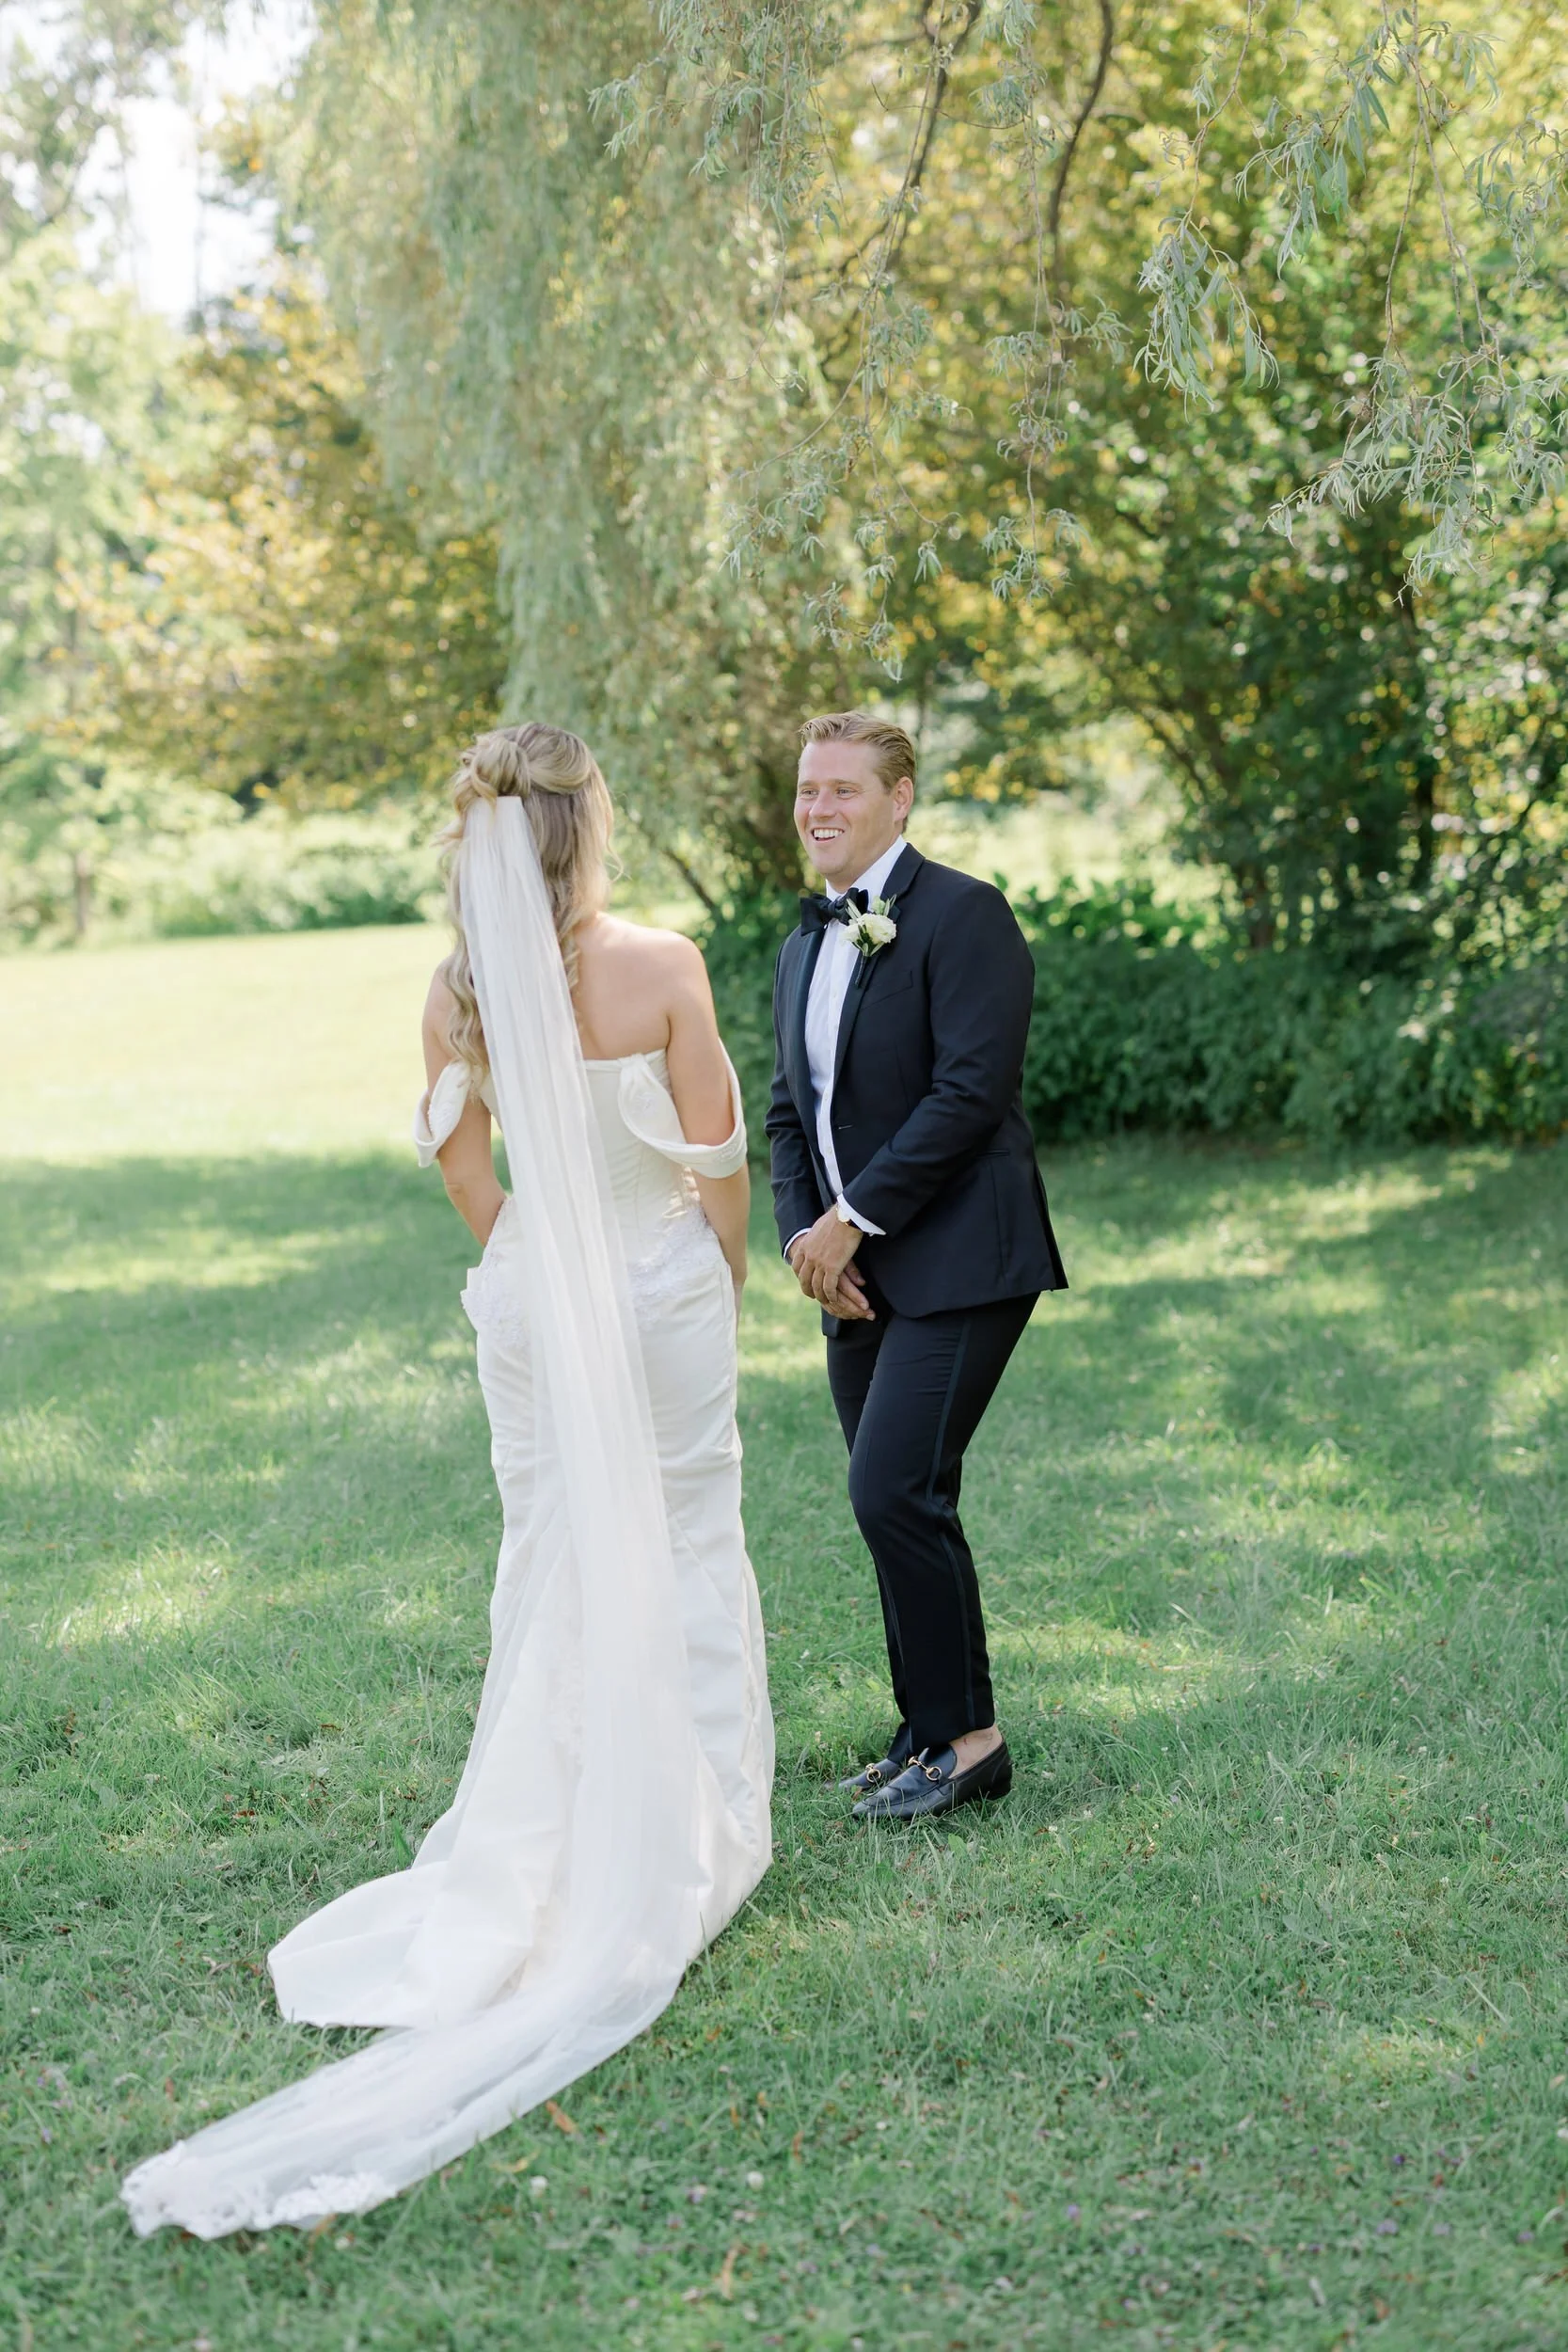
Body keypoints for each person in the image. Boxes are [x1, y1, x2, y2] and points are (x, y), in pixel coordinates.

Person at [123, 723, 773, 2236]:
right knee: (682, 1534)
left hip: (536, 1303)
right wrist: (711, 1274)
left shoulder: (454, 989)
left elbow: (461, 1165)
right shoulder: (662, 963)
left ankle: (542, 1838)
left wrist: (526, 1265)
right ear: (585, 829)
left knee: (550, 1548)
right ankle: (688, 1827)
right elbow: (716, 1150)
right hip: (657, 1289)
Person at [767, 710, 1066, 1824]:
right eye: (806, 789)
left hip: (963, 1259)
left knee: (891, 1485)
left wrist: (855, 1218)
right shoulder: (803, 940)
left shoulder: (963, 915)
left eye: (842, 788)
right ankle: (922, 1730)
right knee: (892, 1498)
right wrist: (808, 1240)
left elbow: (968, 1094)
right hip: (849, 1273)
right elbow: (787, 1113)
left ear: (899, 799)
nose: (819, 808)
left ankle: (970, 1742)